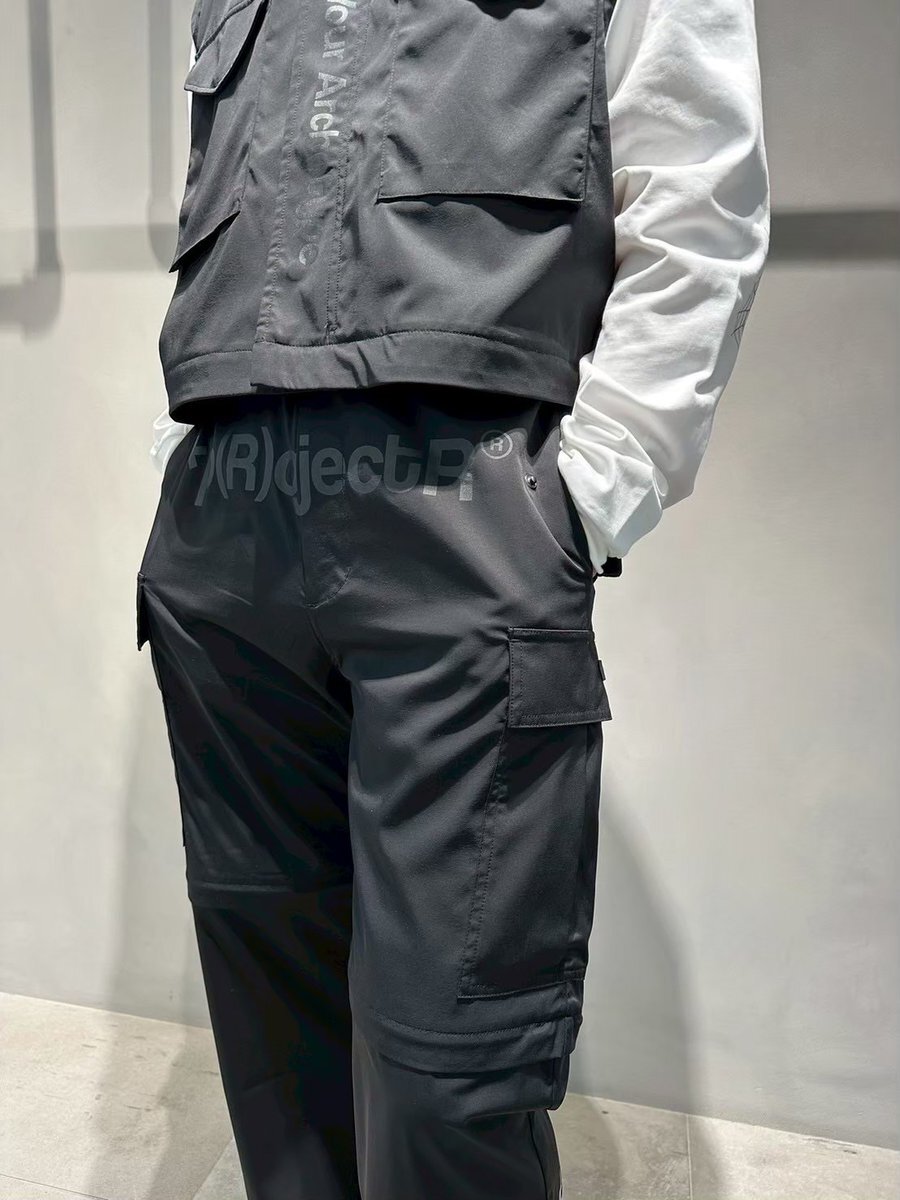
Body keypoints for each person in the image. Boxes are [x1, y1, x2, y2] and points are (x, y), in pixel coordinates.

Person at [136, 0, 770, 1195]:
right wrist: (184, 465)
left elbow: (698, 199)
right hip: (221, 537)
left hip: (465, 527)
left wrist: (583, 500)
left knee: (452, 1063)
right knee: (275, 1033)